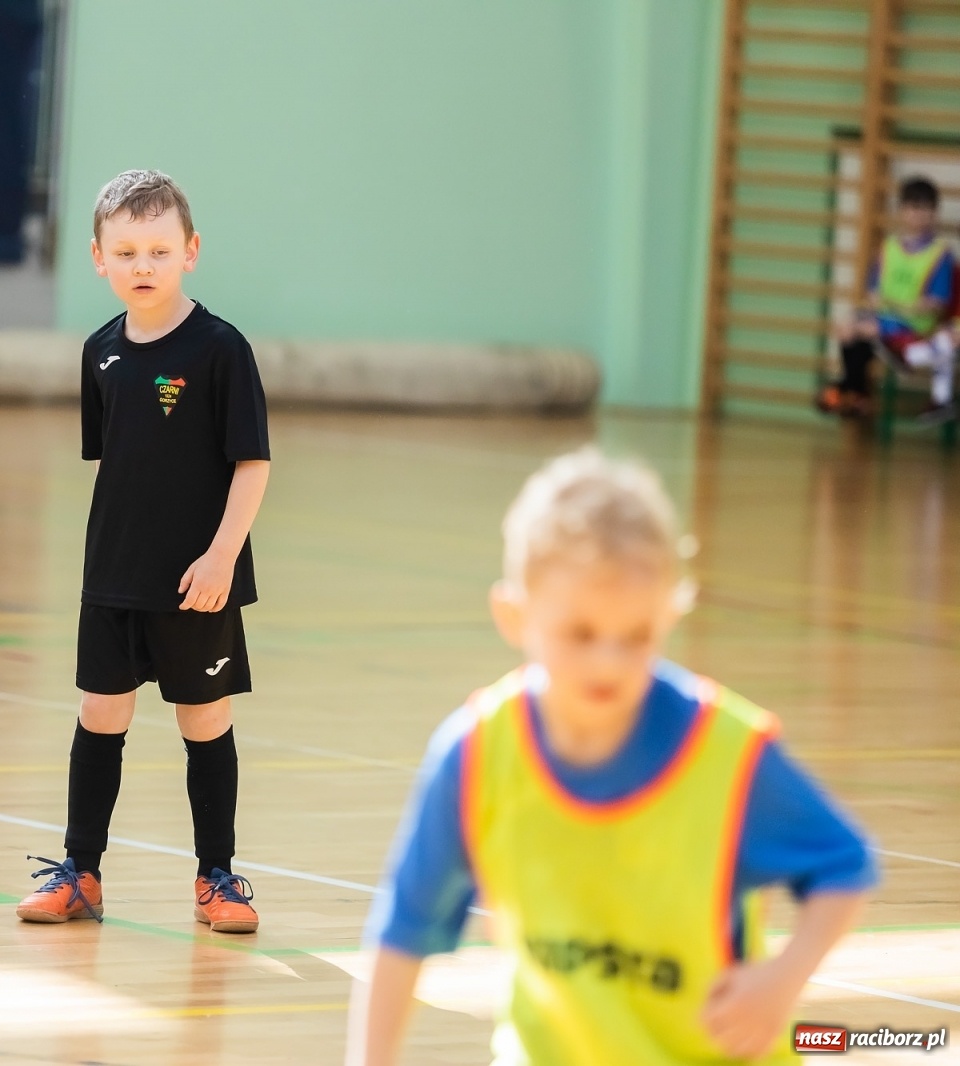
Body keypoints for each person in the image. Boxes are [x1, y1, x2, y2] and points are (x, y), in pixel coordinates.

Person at [346, 448, 876, 1065]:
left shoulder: (727, 754)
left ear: (670, 613)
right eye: (581, 634)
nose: (609, 663)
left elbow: (845, 867)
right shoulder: (476, 755)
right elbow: (401, 936)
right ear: (514, 615)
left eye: (637, 636)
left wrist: (781, 980)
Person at [15, 170, 271, 934]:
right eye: (125, 252)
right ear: (99, 259)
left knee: (204, 721)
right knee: (100, 714)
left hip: (198, 579)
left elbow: (252, 463)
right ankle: (81, 873)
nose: (143, 265)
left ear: (190, 251)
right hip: (114, 575)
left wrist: (222, 557)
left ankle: (217, 877)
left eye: (159, 250)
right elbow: (119, 464)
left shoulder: (221, 349)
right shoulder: (100, 352)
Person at [818, 175, 956, 423]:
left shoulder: (940, 255)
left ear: (934, 213)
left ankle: (851, 390)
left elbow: (936, 304)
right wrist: (873, 308)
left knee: (865, 330)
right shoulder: (888, 248)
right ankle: (855, 391)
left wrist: (896, 307)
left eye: (925, 209)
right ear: (902, 211)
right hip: (885, 319)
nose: (918, 215)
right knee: (847, 326)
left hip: (915, 328)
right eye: (913, 208)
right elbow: (873, 293)